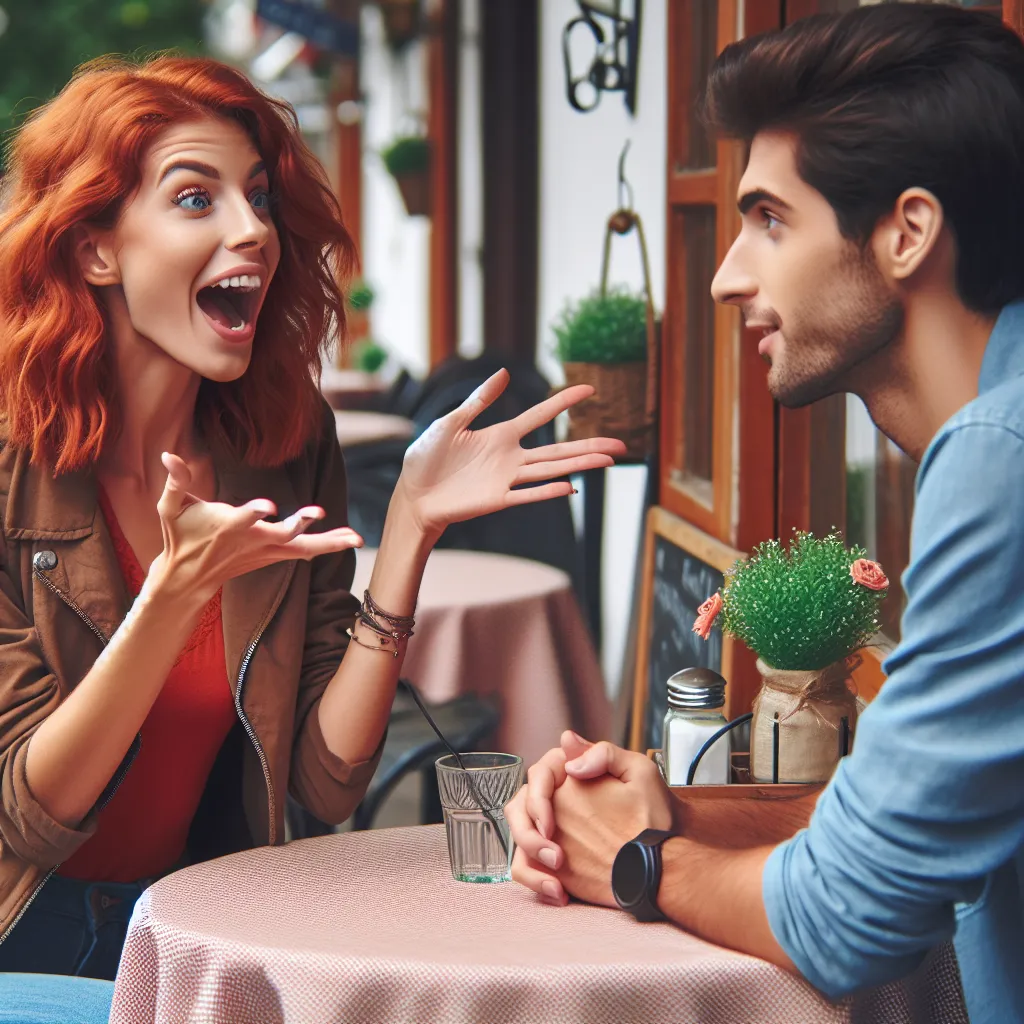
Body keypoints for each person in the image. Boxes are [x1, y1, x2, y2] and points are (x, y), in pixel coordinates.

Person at [0, 52, 625, 1005]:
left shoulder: (285, 444)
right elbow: (32, 819)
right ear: (96, 247)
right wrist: (173, 598)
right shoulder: (10, 467)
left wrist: (411, 528)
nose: (254, 230)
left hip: (190, 922)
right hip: (22, 935)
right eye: (195, 199)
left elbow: (327, 785)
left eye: (257, 197)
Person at [506, 5, 1024, 1022]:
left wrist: (640, 859)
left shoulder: (997, 456)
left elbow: (847, 918)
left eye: (769, 218)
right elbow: (912, 814)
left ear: (906, 233)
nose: (724, 272)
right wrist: (672, 805)